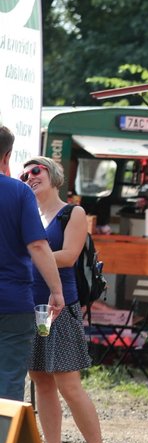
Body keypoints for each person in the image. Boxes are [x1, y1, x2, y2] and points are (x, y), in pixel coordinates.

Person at [23, 157, 112, 443]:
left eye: (37, 170)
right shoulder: (28, 213)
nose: (29, 176)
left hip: (60, 307)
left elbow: (70, 256)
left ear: (54, 175)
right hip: (30, 307)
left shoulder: (71, 212)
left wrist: (30, 252)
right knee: (41, 381)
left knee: (68, 384)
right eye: (25, 172)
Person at [0, 126, 64, 401]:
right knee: (9, 378)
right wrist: (56, 291)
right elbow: (38, 245)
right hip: (13, 302)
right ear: (8, 156)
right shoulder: (19, 192)